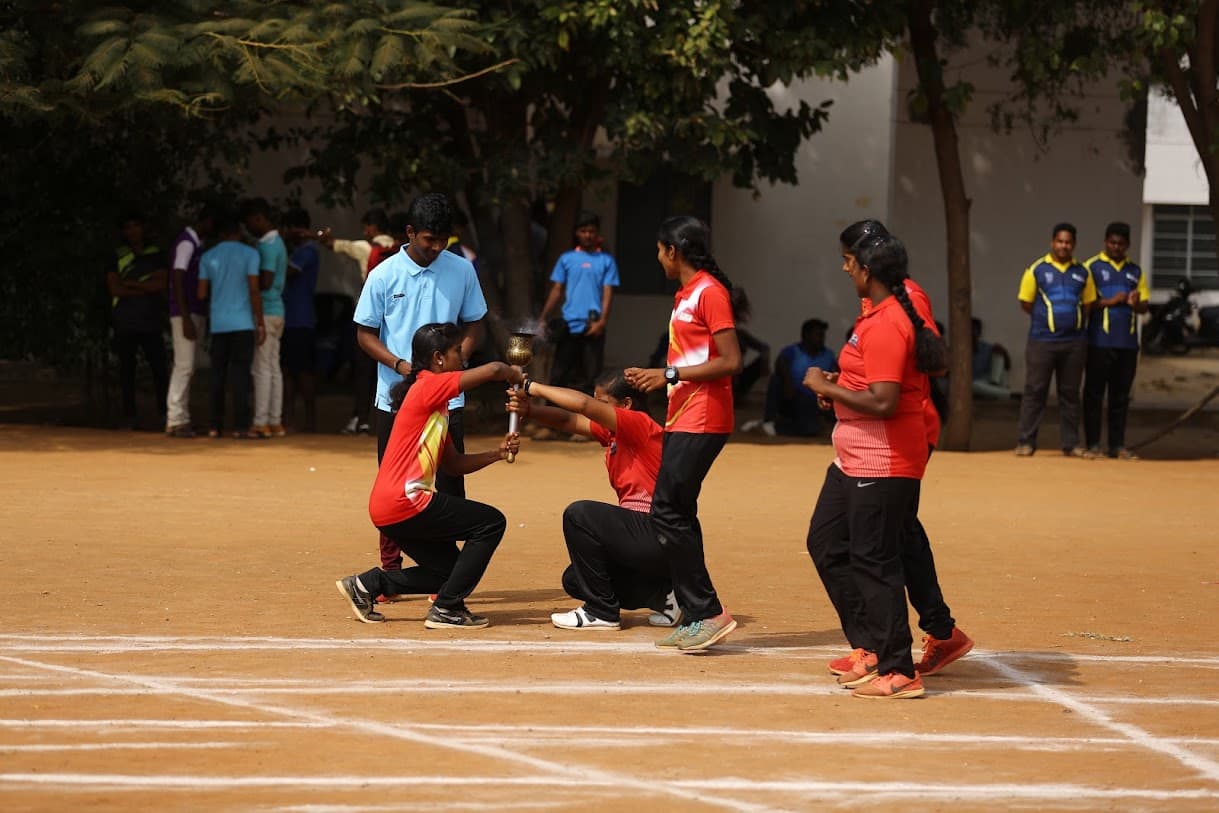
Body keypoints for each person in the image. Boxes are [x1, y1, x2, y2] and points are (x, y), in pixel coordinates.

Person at [809, 220, 972, 695]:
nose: (843, 269)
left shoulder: (902, 304)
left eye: (847, 260)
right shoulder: (877, 305)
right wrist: (842, 387)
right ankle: (888, 643)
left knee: (884, 547)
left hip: (891, 445)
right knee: (850, 541)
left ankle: (904, 655)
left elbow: (913, 373)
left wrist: (833, 386)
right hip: (861, 446)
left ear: (868, 264)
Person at [335, 322, 522, 628]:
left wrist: (497, 453)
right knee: (491, 523)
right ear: (438, 358)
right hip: (405, 502)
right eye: (456, 352)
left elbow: (454, 465)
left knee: (448, 571)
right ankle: (447, 609)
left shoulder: (434, 401)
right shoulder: (428, 386)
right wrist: (512, 373)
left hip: (391, 506)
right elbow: (492, 371)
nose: (462, 359)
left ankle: (367, 585)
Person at [352, 192, 488, 584]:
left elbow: (475, 321)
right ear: (409, 233)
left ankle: (446, 575)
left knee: (449, 483)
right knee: (396, 486)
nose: (435, 247)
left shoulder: (461, 270)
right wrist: (399, 364)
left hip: (448, 398)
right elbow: (365, 334)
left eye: (442, 239)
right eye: (428, 239)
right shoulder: (383, 274)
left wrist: (458, 360)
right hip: (396, 399)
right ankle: (390, 571)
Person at [624, 215, 741, 652]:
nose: (657, 259)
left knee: (668, 511)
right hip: (685, 415)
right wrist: (660, 378)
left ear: (673, 250)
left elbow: (731, 360)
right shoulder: (687, 294)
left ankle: (706, 611)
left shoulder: (710, 292)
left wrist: (668, 372)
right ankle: (696, 612)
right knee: (676, 511)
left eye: (659, 250)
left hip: (704, 418)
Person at [507, 370, 680, 630]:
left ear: (626, 405)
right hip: (644, 536)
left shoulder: (638, 423)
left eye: (603, 402)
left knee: (580, 515)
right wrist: (530, 411)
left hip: (656, 530)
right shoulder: (615, 432)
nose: (595, 407)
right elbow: (569, 420)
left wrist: (532, 387)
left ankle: (602, 611)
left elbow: (583, 406)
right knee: (575, 580)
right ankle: (666, 597)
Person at [1015, 222, 1097, 457]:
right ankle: (1025, 441)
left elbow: (1089, 303)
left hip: (1074, 343)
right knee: (1035, 390)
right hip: (1042, 341)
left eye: (1068, 242)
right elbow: (1026, 303)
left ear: (1074, 245)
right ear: (1052, 242)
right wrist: (1049, 320)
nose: (1064, 246)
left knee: (1070, 394)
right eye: (1060, 241)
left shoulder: (1082, 272)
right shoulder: (1036, 270)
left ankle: (1071, 445)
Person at [322, 209, 397, 436]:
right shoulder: (400, 249)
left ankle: (362, 420)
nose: (365, 231)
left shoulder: (366, 248)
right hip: (393, 317)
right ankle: (393, 418)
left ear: (372, 228)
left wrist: (323, 237)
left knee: (363, 370)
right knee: (392, 367)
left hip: (372, 316)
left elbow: (334, 244)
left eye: (366, 227)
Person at [1083, 222, 1149, 460]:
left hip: (1128, 344)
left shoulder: (1135, 271)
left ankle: (1117, 445)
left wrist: (1136, 303)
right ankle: (1092, 444)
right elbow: (1085, 304)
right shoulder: (1091, 267)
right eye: (1112, 242)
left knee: (1120, 397)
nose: (1116, 247)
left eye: (1121, 244)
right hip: (1099, 342)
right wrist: (1109, 302)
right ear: (1105, 242)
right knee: (1094, 394)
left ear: (1127, 245)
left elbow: (1144, 307)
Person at [197, 212, 265, 438]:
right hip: (243, 322)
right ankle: (241, 427)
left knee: (217, 375)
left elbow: (202, 292)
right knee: (241, 376)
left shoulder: (208, 257)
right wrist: (260, 321)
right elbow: (254, 289)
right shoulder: (250, 254)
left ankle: (214, 426)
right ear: (238, 232)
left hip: (218, 323)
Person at [540, 211, 619, 395]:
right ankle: (552, 418)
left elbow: (608, 292)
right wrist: (543, 317)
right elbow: (557, 290)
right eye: (583, 231)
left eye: (591, 231)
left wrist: (602, 322)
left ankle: (590, 420)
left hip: (593, 326)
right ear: (577, 233)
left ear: (597, 233)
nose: (588, 235)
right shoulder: (566, 259)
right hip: (568, 325)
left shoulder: (606, 261)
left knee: (592, 379)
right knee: (558, 376)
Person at [107, 212, 169, 431]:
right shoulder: (117, 255)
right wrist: (145, 286)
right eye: (128, 227)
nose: (133, 231)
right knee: (127, 371)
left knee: (159, 369)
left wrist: (131, 284)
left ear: (143, 228)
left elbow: (160, 285)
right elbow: (115, 288)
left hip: (151, 320)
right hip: (125, 321)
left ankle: (164, 414)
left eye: (136, 225)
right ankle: (130, 416)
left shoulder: (156, 253)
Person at [165, 205, 215, 438]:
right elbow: (177, 276)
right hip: (184, 312)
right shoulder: (187, 243)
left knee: (188, 365)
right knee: (184, 364)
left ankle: (181, 417)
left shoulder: (194, 244)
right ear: (205, 221)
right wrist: (185, 316)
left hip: (191, 311)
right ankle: (175, 418)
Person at [240, 198, 288, 438]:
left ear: (259, 218)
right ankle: (274, 420)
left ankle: (261, 421)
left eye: (249, 222)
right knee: (272, 367)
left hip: (266, 311)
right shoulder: (276, 242)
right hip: (277, 310)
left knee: (261, 368)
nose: (248, 227)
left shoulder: (267, 245)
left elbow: (266, 280)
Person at [745, 318, 836, 437]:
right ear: (806, 335)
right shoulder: (793, 350)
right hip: (792, 396)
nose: (821, 339)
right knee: (776, 380)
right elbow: (780, 362)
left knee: (810, 429)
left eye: (823, 336)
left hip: (815, 400)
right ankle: (769, 421)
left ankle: (774, 427)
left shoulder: (828, 354)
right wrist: (788, 382)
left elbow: (833, 375)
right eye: (818, 335)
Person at [282, 207, 320, 433]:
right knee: (287, 370)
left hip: (301, 319)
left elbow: (287, 273)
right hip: (291, 318)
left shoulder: (308, 251)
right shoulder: (299, 251)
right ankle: (289, 419)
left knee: (303, 372)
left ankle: (309, 421)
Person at [730, 287, 770, 401]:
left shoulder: (740, 334)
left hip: (737, 378)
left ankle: (738, 394)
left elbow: (765, 348)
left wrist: (765, 365)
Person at [971, 317, 1013, 400]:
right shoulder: (958, 350)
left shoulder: (987, 348)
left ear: (979, 333)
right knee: (973, 386)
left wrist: (1004, 353)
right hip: (974, 384)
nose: (971, 334)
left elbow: (1008, 367)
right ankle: (1009, 394)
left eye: (973, 331)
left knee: (998, 353)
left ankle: (994, 388)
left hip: (988, 382)